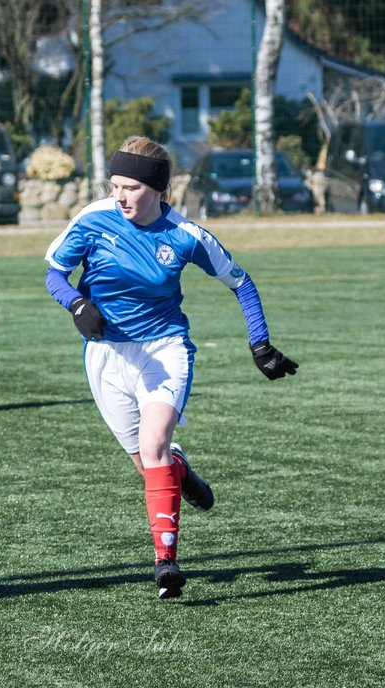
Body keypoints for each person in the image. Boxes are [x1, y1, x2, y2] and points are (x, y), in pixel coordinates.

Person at [44, 135, 298, 599]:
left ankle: (165, 563)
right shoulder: (92, 219)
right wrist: (77, 303)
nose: (119, 195)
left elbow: (240, 282)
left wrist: (260, 345)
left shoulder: (186, 235)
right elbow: (54, 274)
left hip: (164, 351)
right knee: (151, 467)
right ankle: (179, 470)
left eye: (131, 187)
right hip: (106, 357)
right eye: (114, 185)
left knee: (154, 441)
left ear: (158, 189)